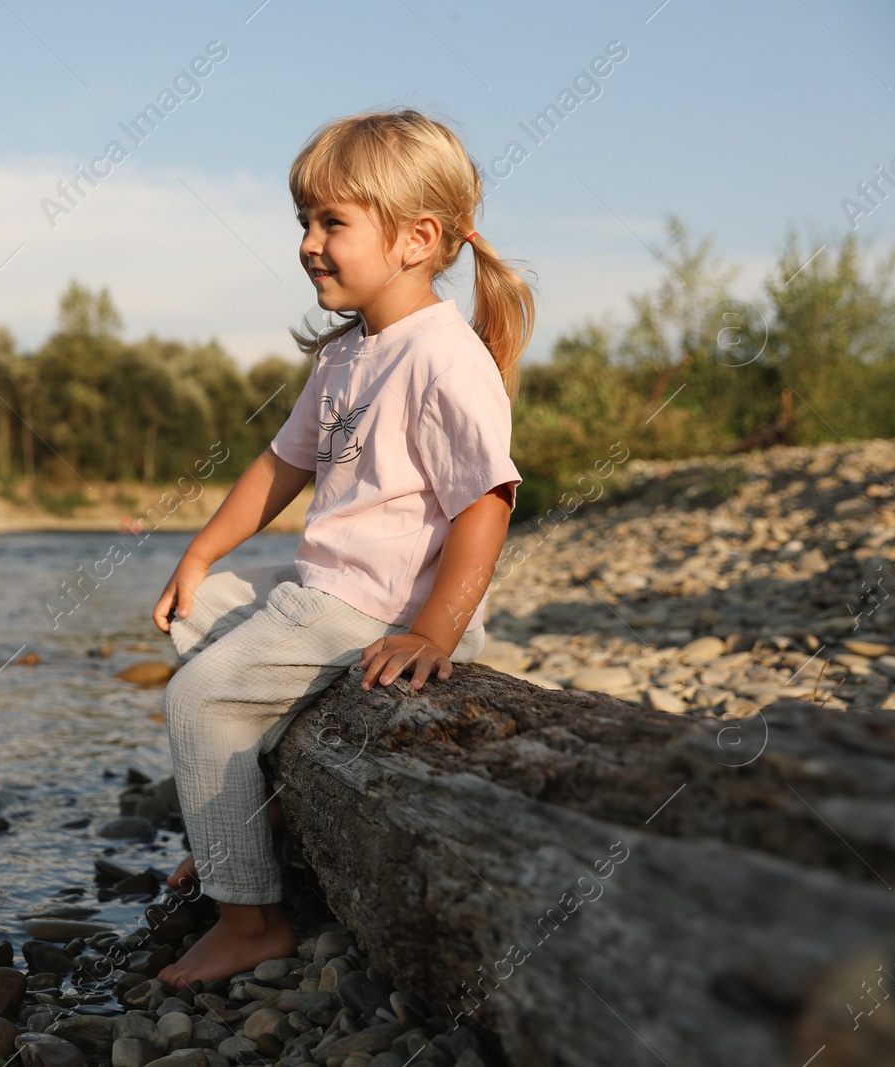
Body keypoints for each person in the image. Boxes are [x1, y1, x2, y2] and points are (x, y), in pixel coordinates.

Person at [149, 109, 535, 988]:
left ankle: (248, 916)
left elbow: (488, 502)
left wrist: (435, 632)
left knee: (196, 699)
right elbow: (279, 465)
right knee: (192, 613)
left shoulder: (444, 355)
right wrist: (201, 554)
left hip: (385, 611)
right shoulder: (344, 355)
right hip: (323, 599)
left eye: (332, 223)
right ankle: (246, 821)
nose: (308, 244)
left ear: (416, 239)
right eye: (304, 223)